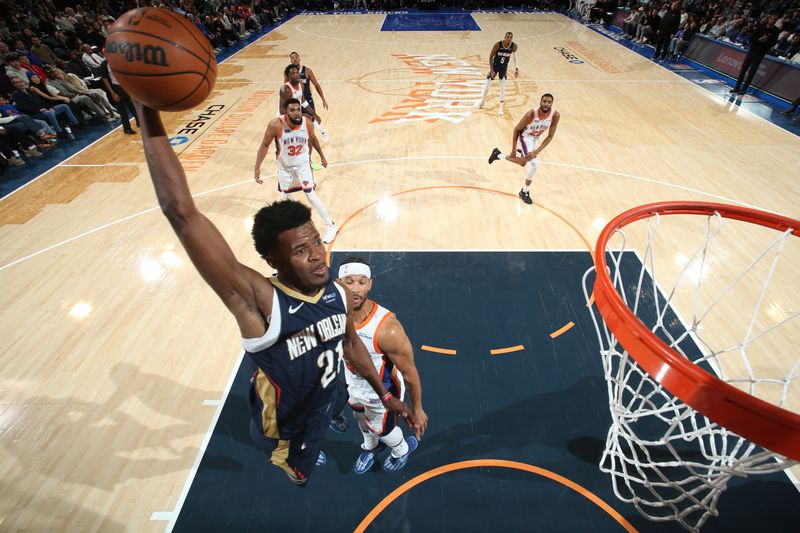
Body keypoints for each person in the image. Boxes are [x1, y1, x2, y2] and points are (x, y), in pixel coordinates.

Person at [135, 101, 416, 486]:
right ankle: (300, 463)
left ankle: (342, 418)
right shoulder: (259, 302)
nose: (318, 255)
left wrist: (385, 397)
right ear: (273, 259)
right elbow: (182, 212)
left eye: (317, 242)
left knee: (338, 399)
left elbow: (350, 343)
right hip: (287, 428)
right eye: (301, 251)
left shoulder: (333, 289)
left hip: (327, 393)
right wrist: (146, 108)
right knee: (300, 476)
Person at [337, 256, 428, 474]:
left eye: (361, 281)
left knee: (384, 429)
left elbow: (409, 372)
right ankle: (371, 446)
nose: (356, 289)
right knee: (360, 418)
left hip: (383, 392)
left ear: (370, 284)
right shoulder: (331, 313)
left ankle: (401, 450)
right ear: (339, 283)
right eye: (349, 282)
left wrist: (417, 408)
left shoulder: (388, 329)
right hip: (353, 384)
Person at [254, 98, 338, 244]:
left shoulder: (307, 123)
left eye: (298, 109)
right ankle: (290, 229)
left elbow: (313, 139)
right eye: (292, 110)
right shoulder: (275, 125)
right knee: (286, 198)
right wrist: (257, 167)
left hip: (302, 165)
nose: (297, 113)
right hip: (285, 167)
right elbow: (265, 145)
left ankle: (330, 225)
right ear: (285, 112)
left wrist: (322, 157)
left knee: (311, 196)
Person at [488, 93, 561, 205]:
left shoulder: (555, 115)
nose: (546, 104)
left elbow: (550, 137)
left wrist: (536, 152)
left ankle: (498, 155)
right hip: (525, 137)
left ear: (552, 103)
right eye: (544, 101)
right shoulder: (531, 114)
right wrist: (513, 150)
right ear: (540, 102)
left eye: (549, 102)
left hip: (535, 138)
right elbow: (516, 129)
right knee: (535, 164)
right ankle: (524, 191)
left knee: (523, 163)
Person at [730, 14, 780, 96]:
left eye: (775, 19)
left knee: (751, 72)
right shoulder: (760, 26)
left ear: (776, 21)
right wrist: (759, 40)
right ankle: (737, 87)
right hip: (752, 51)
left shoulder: (776, 31)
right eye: (772, 18)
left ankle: (743, 89)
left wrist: (765, 42)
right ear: (769, 19)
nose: (773, 20)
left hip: (760, 54)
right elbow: (751, 38)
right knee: (743, 70)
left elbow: (772, 43)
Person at [288, 51, 329, 141]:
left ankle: (322, 131)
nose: (294, 59)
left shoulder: (307, 71)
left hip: (307, 100)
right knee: (297, 122)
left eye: (296, 57)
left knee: (310, 123)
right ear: (290, 60)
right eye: (292, 58)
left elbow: (317, 85)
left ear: (299, 58)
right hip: (295, 102)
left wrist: (323, 99)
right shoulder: (288, 73)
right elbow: (286, 87)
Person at [478, 32, 519, 116]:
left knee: (502, 88)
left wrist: (516, 68)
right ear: (504, 37)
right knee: (487, 85)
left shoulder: (514, 46)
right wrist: (492, 70)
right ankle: (482, 101)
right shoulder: (497, 45)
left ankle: (501, 108)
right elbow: (490, 57)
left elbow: (515, 57)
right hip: (495, 66)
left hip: (503, 67)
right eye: (507, 37)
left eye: (511, 38)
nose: (509, 39)